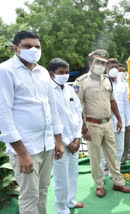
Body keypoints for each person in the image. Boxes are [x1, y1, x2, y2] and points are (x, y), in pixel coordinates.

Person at [0, 30, 64, 214]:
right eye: (27, 46)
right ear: (16, 48)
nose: (33, 50)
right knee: (29, 195)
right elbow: (3, 113)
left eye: (37, 47)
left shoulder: (43, 72)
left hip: (46, 144)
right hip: (26, 147)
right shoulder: (5, 71)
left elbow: (52, 108)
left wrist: (58, 140)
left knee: (43, 191)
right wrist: (22, 154)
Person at [73, 49, 130, 198]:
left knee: (113, 154)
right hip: (92, 125)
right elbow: (76, 107)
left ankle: (118, 182)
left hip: (108, 123)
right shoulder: (81, 82)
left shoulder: (106, 80)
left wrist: (119, 119)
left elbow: (112, 101)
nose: (100, 65)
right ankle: (99, 185)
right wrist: (83, 128)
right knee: (95, 157)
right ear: (90, 64)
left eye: (103, 63)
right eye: (97, 62)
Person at [48, 58, 85, 214]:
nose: (65, 75)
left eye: (66, 72)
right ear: (51, 74)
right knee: (61, 177)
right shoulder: (47, 91)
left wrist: (77, 138)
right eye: (61, 72)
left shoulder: (70, 90)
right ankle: (61, 207)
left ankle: (70, 201)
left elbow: (77, 113)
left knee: (73, 173)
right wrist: (67, 141)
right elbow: (50, 120)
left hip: (74, 140)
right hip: (60, 142)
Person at [103, 65, 130, 174]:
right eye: (111, 67)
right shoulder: (101, 84)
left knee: (119, 149)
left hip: (120, 124)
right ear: (106, 69)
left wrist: (129, 124)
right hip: (105, 123)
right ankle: (101, 175)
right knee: (104, 150)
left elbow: (126, 106)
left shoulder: (123, 86)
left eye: (116, 67)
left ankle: (115, 173)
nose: (113, 69)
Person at [118, 64, 130, 164]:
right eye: (119, 70)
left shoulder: (128, 84)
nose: (121, 73)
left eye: (123, 71)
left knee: (126, 141)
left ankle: (123, 160)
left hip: (128, 118)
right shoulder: (112, 84)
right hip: (117, 119)